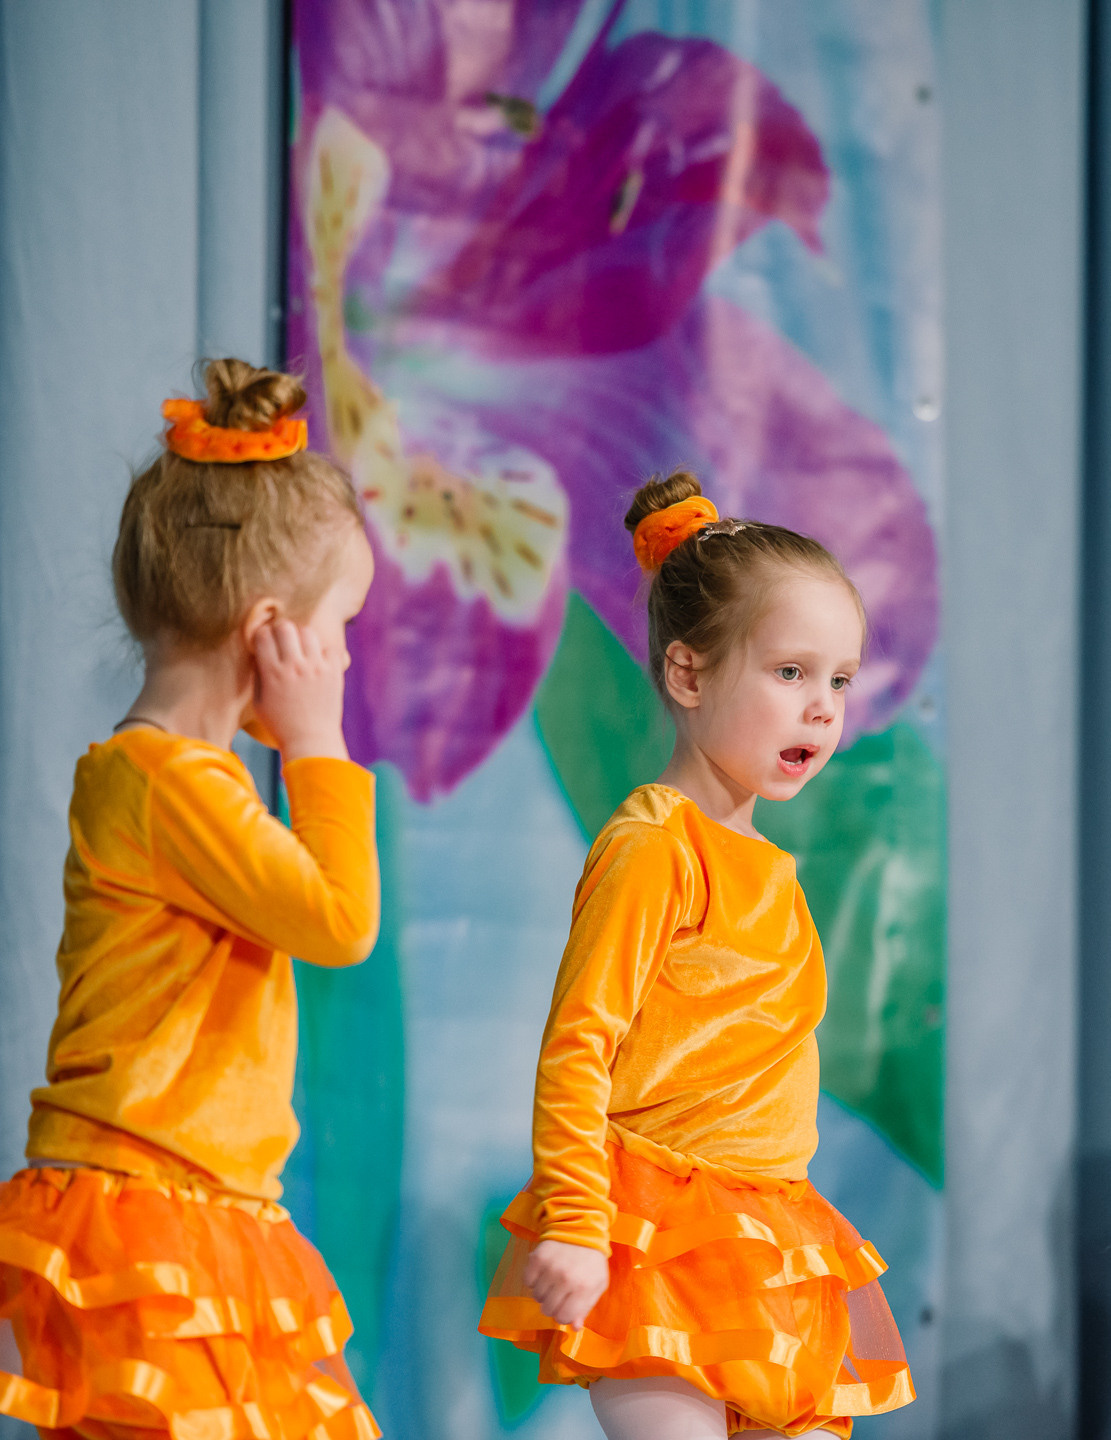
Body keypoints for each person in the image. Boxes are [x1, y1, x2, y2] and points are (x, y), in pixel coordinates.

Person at [480, 471, 916, 1439]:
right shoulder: (653, 844)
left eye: (838, 681)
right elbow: (577, 1048)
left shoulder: (771, 872)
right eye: (790, 672)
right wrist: (579, 1226)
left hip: (774, 1243)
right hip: (655, 1242)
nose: (820, 708)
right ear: (687, 674)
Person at [0, 360, 381, 1440]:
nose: (344, 656)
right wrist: (316, 742)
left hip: (198, 1202)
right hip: (145, 1207)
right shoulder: (169, 783)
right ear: (269, 632)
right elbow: (341, 921)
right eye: (339, 627)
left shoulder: (171, 780)